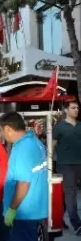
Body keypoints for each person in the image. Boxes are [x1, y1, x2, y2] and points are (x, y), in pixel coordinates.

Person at [0, 112, 48, 241]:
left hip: (24, 210)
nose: (2, 135)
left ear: (9, 129)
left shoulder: (23, 148)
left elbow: (23, 184)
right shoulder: (32, 142)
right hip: (28, 209)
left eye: (2, 131)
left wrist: (11, 209)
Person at [53, 100, 81, 234]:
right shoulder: (59, 127)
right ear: (66, 110)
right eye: (73, 108)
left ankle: (58, 218)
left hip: (79, 164)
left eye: (77, 108)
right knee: (70, 194)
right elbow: (51, 146)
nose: (76, 110)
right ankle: (77, 224)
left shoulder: (80, 125)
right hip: (65, 166)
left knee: (66, 195)